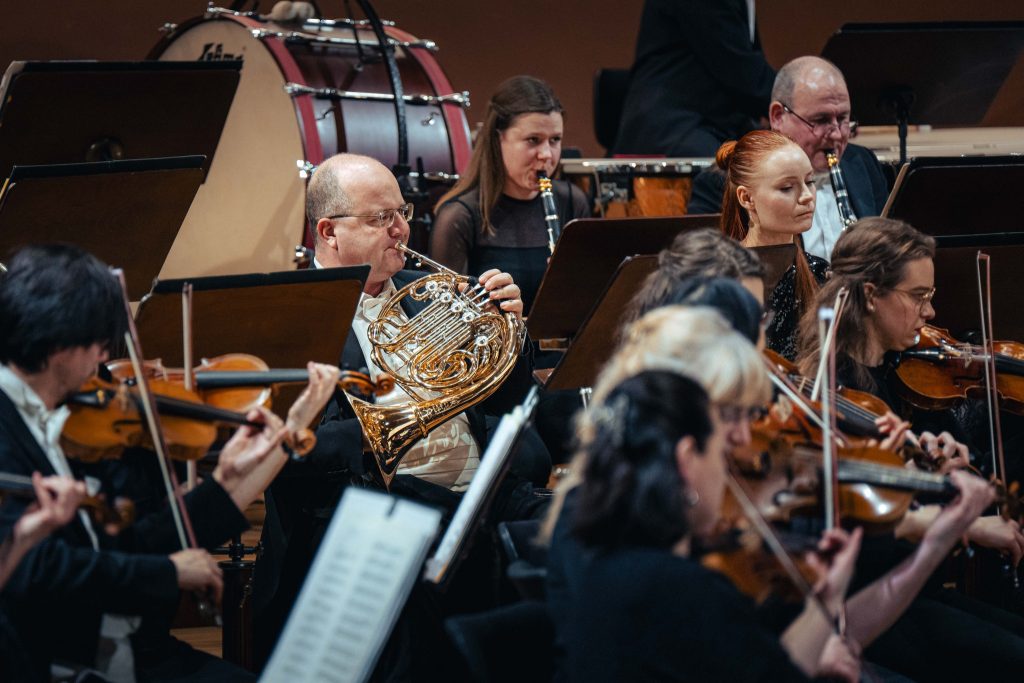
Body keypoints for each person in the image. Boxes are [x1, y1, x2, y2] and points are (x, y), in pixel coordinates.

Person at [255, 152, 551, 674]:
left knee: (580, 537)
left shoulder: (432, 299)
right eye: (380, 219)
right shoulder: (289, 317)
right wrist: (383, 424)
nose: (400, 231)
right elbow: (285, 455)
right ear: (329, 231)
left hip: (483, 495)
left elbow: (507, 402)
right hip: (378, 513)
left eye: (403, 213)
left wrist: (512, 332)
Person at [0, 243, 338, 681]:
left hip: (121, 644)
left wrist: (224, 478)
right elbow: (36, 569)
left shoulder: (40, 421)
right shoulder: (9, 427)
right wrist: (167, 572)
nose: (105, 359)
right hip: (66, 660)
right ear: (60, 340)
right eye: (99, 344)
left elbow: (121, 544)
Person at [796, 217, 1024, 681]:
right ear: (870, 295)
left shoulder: (900, 372)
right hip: (871, 606)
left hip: (919, 587)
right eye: (918, 297)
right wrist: (965, 519)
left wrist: (948, 465)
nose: (931, 313)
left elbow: (938, 479)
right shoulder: (832, 392)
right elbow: (866, 529)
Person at [565, 369, 861, 682]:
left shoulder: (598, 560)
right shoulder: (685, 592)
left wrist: (825, 600)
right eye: (722, 456)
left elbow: (770, 668)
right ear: (687, 459)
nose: (728, 476)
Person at [689, 56, 890, 261]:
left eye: (842, 119)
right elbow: (706, 273)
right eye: (820, 120)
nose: (837, 134)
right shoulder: (725, 180)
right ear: (778, 116)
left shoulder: (862, 162)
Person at [430, 75, 590, 315]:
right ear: (498, 139)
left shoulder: (572, 202)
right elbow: (443, 318)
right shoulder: (459, 216)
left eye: (555, 140)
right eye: (533, 140)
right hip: (495, 350)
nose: (547, 154)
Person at [613, 0, 775, 157]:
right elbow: (740, 71)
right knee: (738, 174)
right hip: (676, 129)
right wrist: (792, 99)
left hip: (709, 125)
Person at [717, 129, 827, 360]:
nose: (807, 196)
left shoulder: (821, 274)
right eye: (787, 188)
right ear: (747, 198)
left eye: (810, 181)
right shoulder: (720, 280)